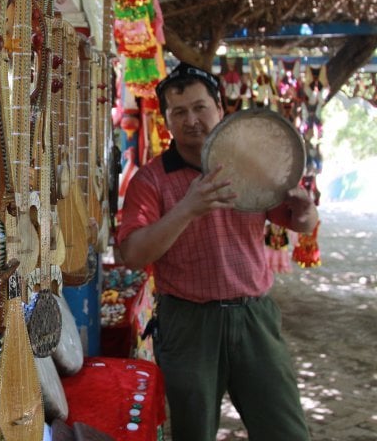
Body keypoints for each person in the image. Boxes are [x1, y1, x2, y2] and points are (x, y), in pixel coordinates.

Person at [117, 62, 317, 441]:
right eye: (179, 112)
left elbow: (300, 221)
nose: (191, 119)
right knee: (194, 433)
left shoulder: (250, 164)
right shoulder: (150, 180)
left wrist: (306, 210)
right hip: (189, 324)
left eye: (199, 107)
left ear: (219, 109)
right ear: (167, 122)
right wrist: (187, 209)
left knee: (286, 431)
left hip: (254, 317)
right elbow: (132, 254)